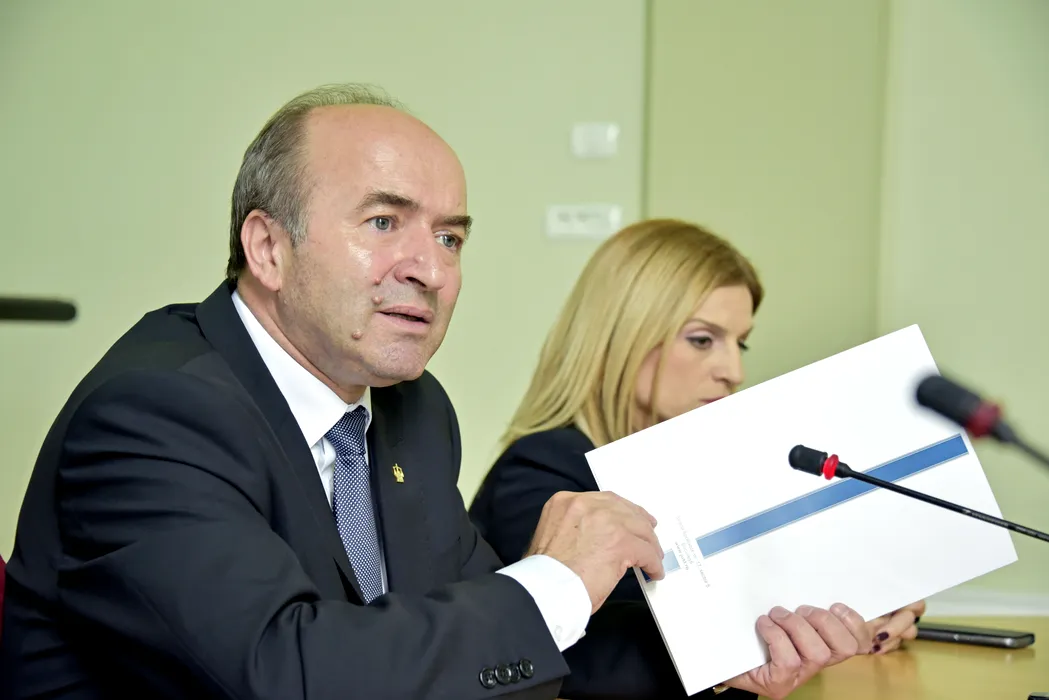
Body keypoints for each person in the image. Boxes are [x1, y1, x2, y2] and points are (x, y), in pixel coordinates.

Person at [0, 85, 864, 700]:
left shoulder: (410, 410)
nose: (430, 269)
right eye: (383, 222)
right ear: (267, 249)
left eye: (450, 237)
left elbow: (472, 663)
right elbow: (284, 674)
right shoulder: (156, 413)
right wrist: (553, 583)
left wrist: (720, 672)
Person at [470, 218, 926, 698]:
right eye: (703, 339)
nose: (734, 370)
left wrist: (862, 601)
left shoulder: (695, 476)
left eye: (739, 342)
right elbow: (590, 653)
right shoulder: (542, 470)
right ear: (622, 336)